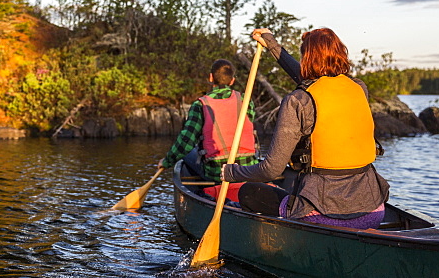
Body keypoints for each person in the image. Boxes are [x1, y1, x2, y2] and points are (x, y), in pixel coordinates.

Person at [222, 27, 389, 229]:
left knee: (249, 192)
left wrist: (231, 173)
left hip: (322, 215)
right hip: (372, 210)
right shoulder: (359, 88)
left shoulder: (297, 101)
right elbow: (316, 84)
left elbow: (270, 170)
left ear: (307, 59)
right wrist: (271, 45)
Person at [157, 59, 260, 202]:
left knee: (187, 154)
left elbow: (185, 142)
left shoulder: (201, 104)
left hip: (217, 172)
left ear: (211, 78)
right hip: (248, 170)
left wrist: (167, 161)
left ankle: (201, 191)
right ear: (232, 81)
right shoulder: (246, 100)